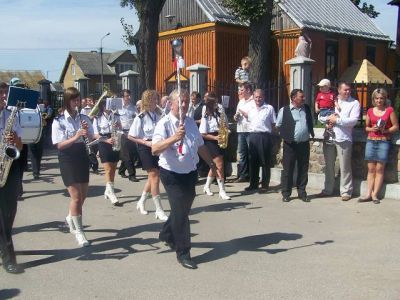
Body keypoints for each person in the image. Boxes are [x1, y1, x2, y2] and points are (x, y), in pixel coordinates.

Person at [152, 89, 216, 269]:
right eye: (180, 101)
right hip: (171, 173)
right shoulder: (164, 124)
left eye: (186, 101)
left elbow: (200, 146)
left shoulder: (190, 123)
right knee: (181, 213)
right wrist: (174, 138)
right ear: (171, 103)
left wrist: (211, 164)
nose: (184, 104)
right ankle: (183, 252)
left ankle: (166, 233)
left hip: (189, 172)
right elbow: (155, 149)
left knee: (182, 210)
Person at [51, 87, 94, 247]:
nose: (77, 102)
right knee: (75, 197)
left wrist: (98, 137)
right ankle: (79, 232)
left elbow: (91, 135)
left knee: (83, 195)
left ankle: (71, 217)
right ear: (68, 100)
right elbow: (59, 145)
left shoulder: (83, 117)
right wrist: (76, 136)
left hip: (81, 155)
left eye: (78, 99)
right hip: (67, 158)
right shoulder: (59, 120)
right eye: (74, 100)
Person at [128, 90, 168, 221]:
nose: (155, 102)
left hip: (158, 146)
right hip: (145, 147)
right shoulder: (141, 117)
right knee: (155, 176)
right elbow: (131, 136)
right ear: (146, 101)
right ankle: (159, 209)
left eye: (156, 99)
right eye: (152, 100)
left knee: (153, 177)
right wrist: (145, 142)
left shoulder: (159, 115)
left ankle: (141, 201)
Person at [319, 82, 360, 201]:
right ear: (339, 90)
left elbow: (353, 120)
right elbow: (320, 115)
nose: (347, 92)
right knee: (329, 166)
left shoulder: (354, 103)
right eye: (345, 90)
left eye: (349, 90)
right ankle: (328, 189)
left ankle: (346, 191)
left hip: (343, 138)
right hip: (329, 137)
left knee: (345, 166)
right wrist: (328, 119)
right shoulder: (331, 100)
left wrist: (337, 120)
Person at [358, 88, 399, 204]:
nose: (379, 100)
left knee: (380, 169)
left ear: (385, 99)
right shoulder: (370, 111)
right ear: (373, 99)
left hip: (383, 141)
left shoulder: (389, 110)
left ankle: (375, 195)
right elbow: (366, 127)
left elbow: (396, 126)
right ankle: (367, 194)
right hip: (371, 141)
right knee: (371, 169)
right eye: (377, 98)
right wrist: (372, 128)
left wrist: (386, 130)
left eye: (381, 98)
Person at [0, 81, 24, 274]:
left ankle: (4, 243)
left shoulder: (12, 115)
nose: (4, 98)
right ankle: (9, 257)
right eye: (1, 94)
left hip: (10, 164)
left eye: (5, 94)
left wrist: (14, 139)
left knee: (10, 212)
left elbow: (21, 146)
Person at [276, 89, 314, 202]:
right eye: (301, 97)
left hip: (304, 144)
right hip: (290, 144)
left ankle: (302, 192)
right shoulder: (284, 110)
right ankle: (286, 193)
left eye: (303, 96)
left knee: (303, 168)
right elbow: (278, 125)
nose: (304, 98)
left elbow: (309, 122)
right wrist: (286, 136)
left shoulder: (306, 108)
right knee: (288, 169)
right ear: (293, 98)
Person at [240, 89, 276, 192]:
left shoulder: (269, 108)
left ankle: (265, 185)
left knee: (265, 162)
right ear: (253, 97)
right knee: (253, 161)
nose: (258, 99)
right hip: (253, 136)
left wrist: (271, 138)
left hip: (264, 136)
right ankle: (253, 184)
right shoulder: (250, 108)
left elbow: (273, 124)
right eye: (256, 97)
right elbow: (250, 120)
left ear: (263, 97)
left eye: (260, 97)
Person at [199, 91, 231, 200]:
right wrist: (215, 138)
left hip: (220, 137)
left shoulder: (220, 110)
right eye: (214, 103)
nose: (217, 105)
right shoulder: (206, 114)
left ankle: (206, 186)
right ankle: (222, 190)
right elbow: (202, 134)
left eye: (217, 103)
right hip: (210, 140)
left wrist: (225, 129)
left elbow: (225, 123)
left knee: (214, 165)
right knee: (219, 164)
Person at [93, 100, 122, 206]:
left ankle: (108, 190)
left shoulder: (116, 115)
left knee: (113, 168)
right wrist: (106, 140)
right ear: (102, 106)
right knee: (108, 169)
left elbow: (120, 129)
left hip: (114, 140)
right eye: (106, 105)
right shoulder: (97, 117)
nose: (108, 107)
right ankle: (112, 193)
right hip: (103, 142)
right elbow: (95, 134)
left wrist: (119, 125)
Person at [233, 82, 255, 182]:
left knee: (251, 153)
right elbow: (236, 115)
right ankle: (243, 175)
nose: (240, 92)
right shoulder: (241, 101)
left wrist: (244, 113)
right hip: (241, 130)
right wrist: (236, 117)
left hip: (250, 130)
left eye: (242, 90)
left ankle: (252, 175)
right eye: (239, 90)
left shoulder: (254, 101)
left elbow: (255, 116)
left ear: (248, 90)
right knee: (242, 153)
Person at [118, 89, 139, 182]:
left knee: (133, 153)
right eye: (127, 96)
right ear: (122, 97)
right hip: (122, 133)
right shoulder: (118, 108)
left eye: (129, 95)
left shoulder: (133, 107)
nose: (129, 97)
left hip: (131, 133)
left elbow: (137, 118)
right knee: (127, 155)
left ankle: (121, 169)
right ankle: (132, 174)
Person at [315, 79, 339, 143]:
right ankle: (329, 129)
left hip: (330, 109)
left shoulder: (332, 94)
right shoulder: (319, 94)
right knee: (327, 120)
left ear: (327, 87)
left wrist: (337, 105)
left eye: (322, 87)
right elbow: (316, 102)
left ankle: (328, 130)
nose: (320, 88)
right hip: (323, 110)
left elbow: (335, 101)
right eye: (320, 87)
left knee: (332, 119)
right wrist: (316, 108)